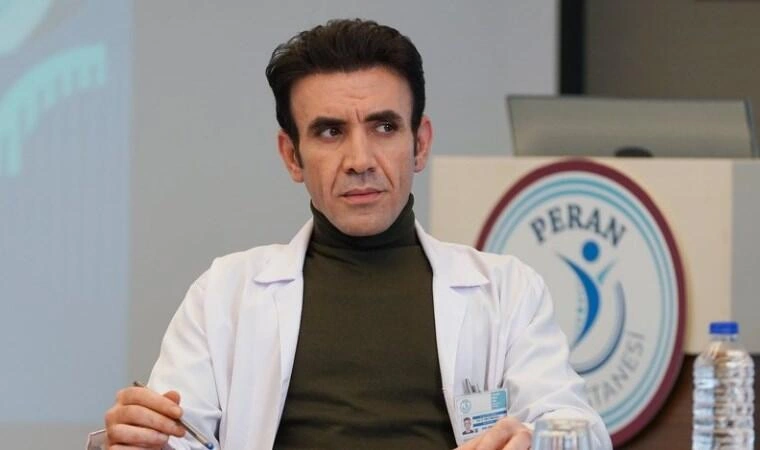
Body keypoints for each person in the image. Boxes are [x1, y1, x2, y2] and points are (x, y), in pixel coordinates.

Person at [97, 19, 612, 450]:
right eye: (330, 131)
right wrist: (140, 440)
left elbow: (577, 427)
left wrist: (533, 440)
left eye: (384, 127)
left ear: (420, 144)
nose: (360, 160)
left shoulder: (507, 291)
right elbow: (175, 438)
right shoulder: (224, 293)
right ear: (292, 156)